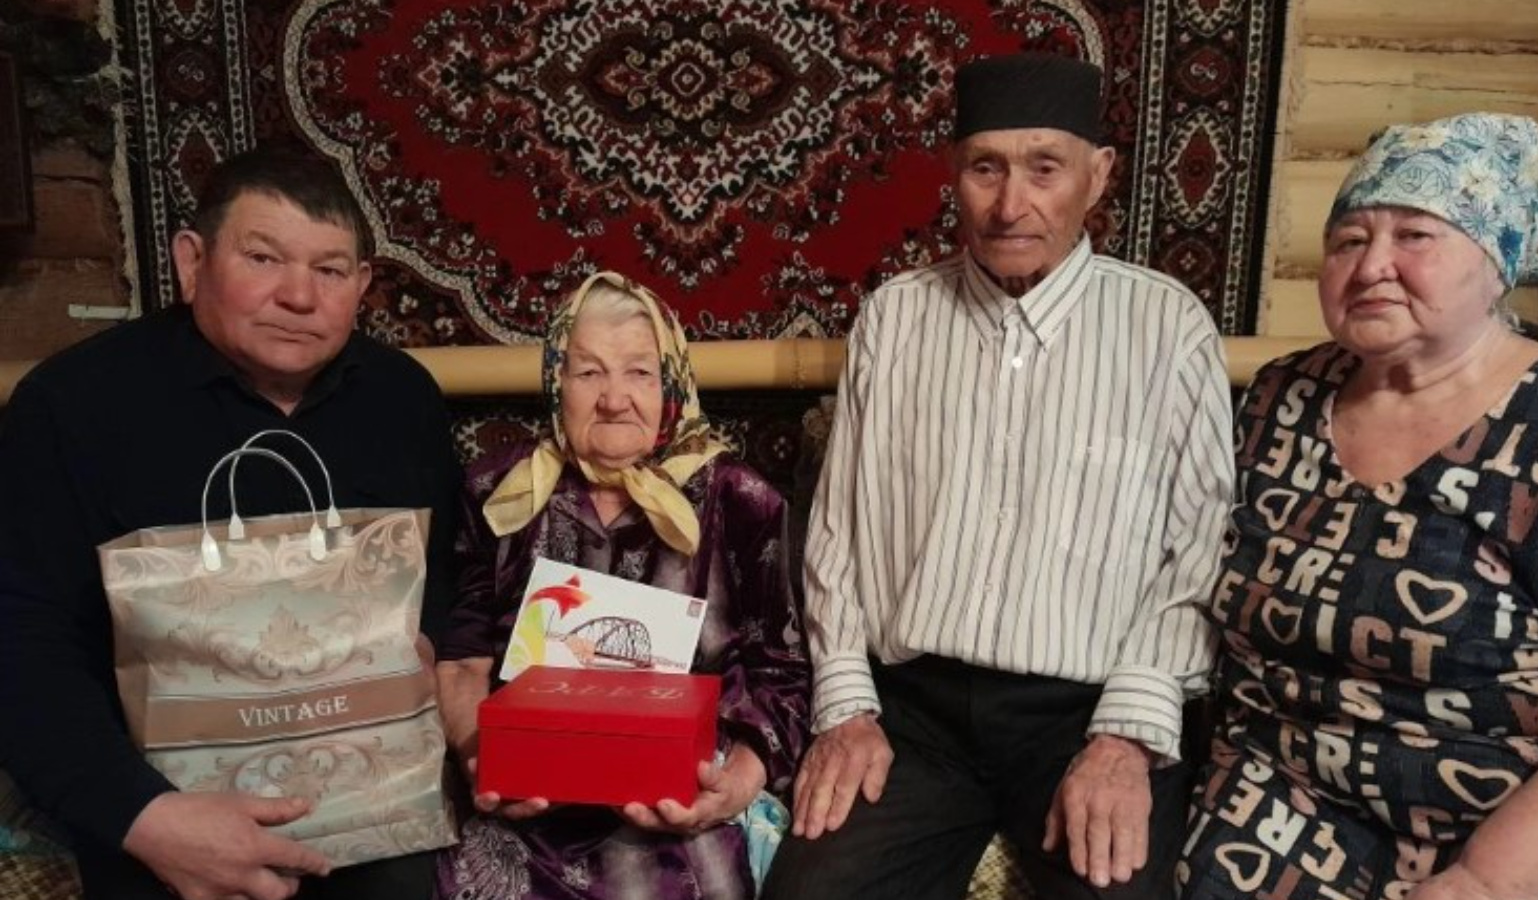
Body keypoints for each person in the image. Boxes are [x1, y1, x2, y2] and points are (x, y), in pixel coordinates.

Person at [763, 52, 1233, 899]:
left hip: (1084, 715)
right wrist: (848, 707)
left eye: (1044, 169)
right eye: (986, 168)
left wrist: (1125, 741)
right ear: (955, 176)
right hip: (915, 716)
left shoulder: (1167, 327)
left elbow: (1200, 549)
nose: (1011, 204)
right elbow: (837, 532)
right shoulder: (896, 317)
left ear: (1097, 176)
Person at [0, 146, 460, 899]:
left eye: (329, 270)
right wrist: (144, 818)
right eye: (263, 257)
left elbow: (439, 578)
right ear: (192, 261)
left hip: (373, 803)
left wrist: (424, 653)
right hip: (161, 809)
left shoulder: (402, 398)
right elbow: (22, 640)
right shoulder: (72, 406)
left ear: (362, 286)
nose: (299, 296)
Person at [1179, 112, 1538, 900]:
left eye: (1415, 236)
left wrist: (1483, 881)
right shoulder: (1281, 396)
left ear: (1498, 262)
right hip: (1273, 811)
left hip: (1508, 843)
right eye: (1348, 240)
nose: (1372, 265)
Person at [432, 271, 811, 899]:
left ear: (673, 384)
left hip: (684, 802)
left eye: (640, 372)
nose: (614, 399)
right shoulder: (499, 491)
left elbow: (783, 673)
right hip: (530, 805)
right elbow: (463, 655)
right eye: (588, 372)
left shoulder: (739, 500)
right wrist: (482, 758)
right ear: (556, 380)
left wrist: (733, 787)